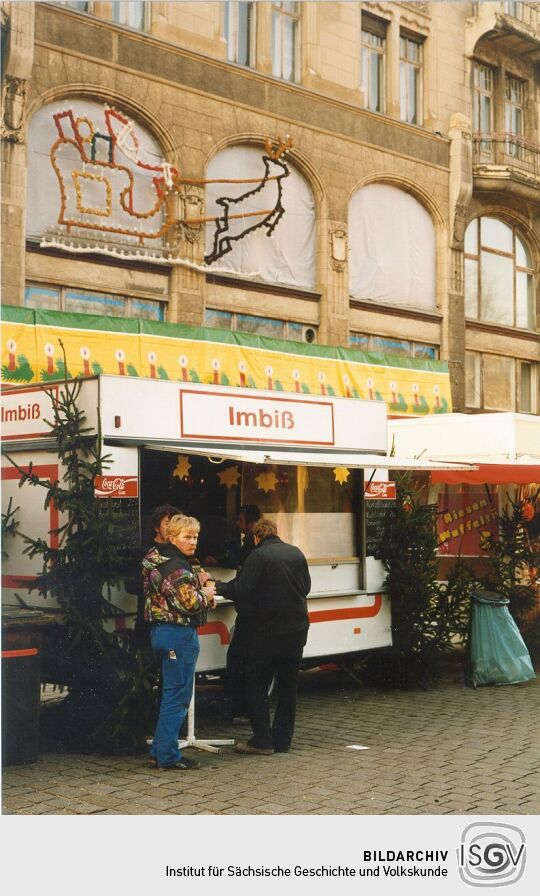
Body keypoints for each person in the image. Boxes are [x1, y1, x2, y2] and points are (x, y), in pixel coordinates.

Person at [219, 518, 311, 756]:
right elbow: (306, 587)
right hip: (297, 628)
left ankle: (262, 740)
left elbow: (241, 589)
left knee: (256, 683)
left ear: (256, 537)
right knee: (288, 686)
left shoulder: (258, 556)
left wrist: (216, 586)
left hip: (267, 632)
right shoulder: (295, 553)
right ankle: (282, 741)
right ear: (275, 533)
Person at [142, 514, 216, 770]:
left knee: (169, 694)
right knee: (178, 697)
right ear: (172, 537)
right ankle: (168, 756)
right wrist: (205, 595)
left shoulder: (156, 558)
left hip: (161, 632)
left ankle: (158, 751)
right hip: (179, 634)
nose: (193, 541)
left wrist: (202, 580)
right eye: (187, 536)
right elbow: (191, 603)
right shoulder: (177, 567)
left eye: (195, 536)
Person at [225, 504, 262, 722]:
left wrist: (220, 587)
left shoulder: (252, 549)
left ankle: (242, 710)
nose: (236, 524)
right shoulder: (252, 545)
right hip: (256, 613)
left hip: (249, 614)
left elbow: (243, 583)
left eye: (239, 520)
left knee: (239, 658)